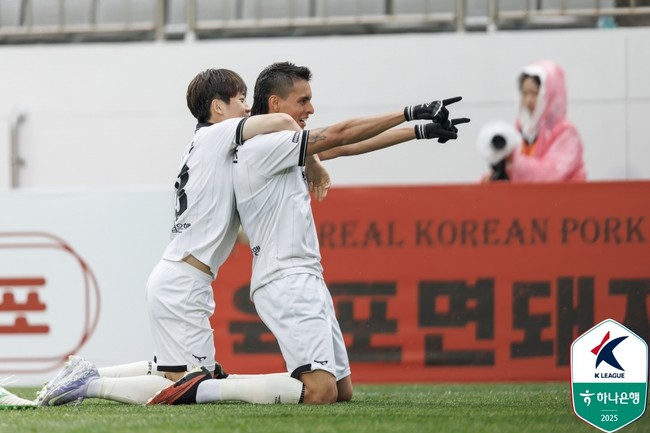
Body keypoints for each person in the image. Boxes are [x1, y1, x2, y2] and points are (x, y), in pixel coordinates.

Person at [147, 62, 469, 405]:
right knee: (320, 392)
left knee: (341, 391)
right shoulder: (259, 146)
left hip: (302, 274)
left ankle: (202, 382)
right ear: (274, 103)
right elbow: (340, 134)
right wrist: (410, 112)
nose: (310, 109)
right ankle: (205, 385)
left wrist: (421, 131)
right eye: (302, 101)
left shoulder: (267, 145)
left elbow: (344, 145)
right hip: (285, 277)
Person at [35, 68, 319, 406]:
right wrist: (311, 159)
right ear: (218, 107)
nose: (247, 107)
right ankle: (88, 385)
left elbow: (233, 228)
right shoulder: (217, 135)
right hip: (182, 284)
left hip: (178, 279)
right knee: (186, 387)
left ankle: (89, 374)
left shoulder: (206, 146)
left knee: (183, 375)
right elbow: (283, 121)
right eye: (241, 99)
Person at [482, 60, 586, 182]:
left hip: (564, 194)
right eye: (524, 93)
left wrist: (513, 163)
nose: (528, 100)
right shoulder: (522, 129)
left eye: (534, 93)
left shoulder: (566, 133)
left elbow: (551, 174)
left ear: (550, 94)